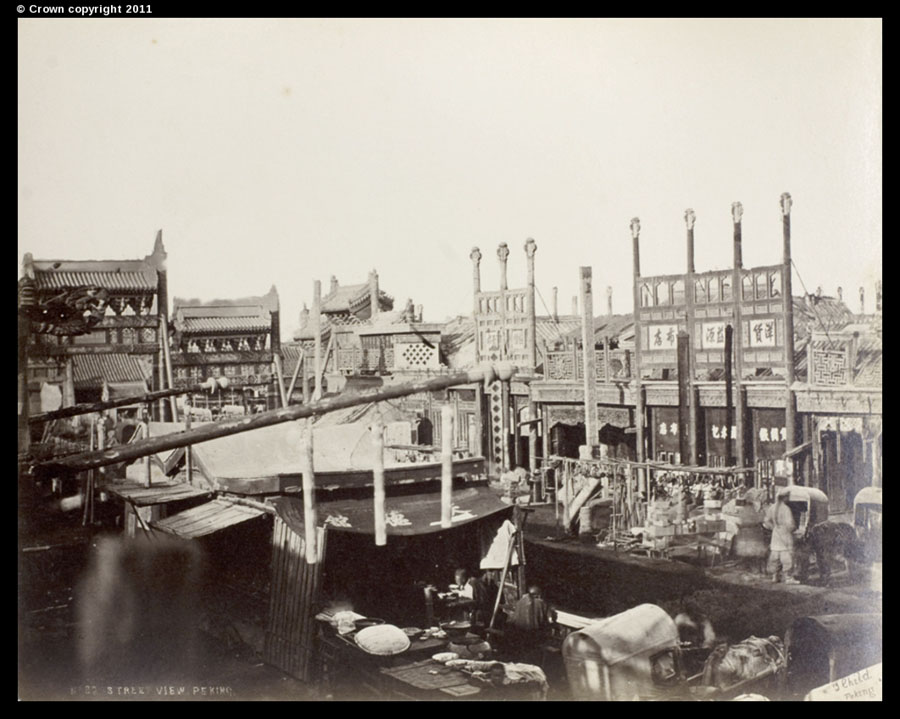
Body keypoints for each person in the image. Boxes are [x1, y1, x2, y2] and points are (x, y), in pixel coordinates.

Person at [763, 489, 799, 584]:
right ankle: (788, 578)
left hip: (775, 535)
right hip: (785, 535)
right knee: (786, 557)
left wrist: (774, 528)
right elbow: (790, 524)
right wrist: (794, 528)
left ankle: (775, 576)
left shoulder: (772, 508)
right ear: (785, 498)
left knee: (775, 556)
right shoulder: (786, 509)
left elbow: (766, 521)